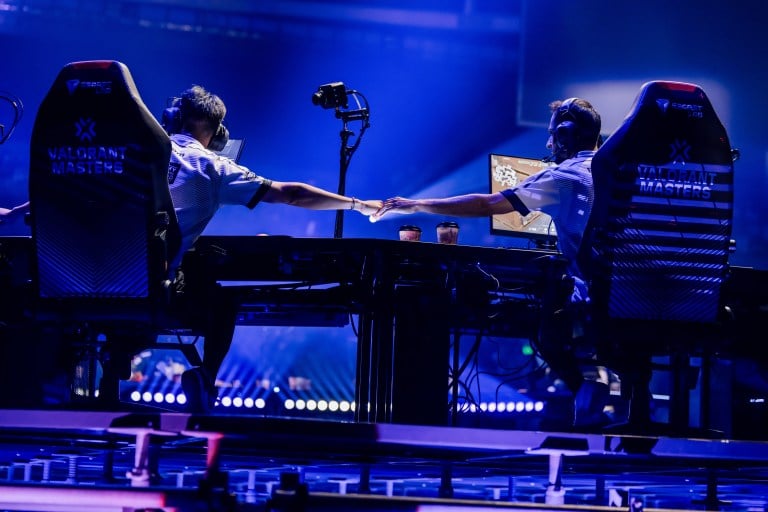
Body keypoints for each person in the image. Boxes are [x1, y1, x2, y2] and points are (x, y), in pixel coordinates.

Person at [371, 97, 612, 428]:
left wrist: (418, 205)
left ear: (567, 136)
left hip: (593, 293)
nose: (548, 143)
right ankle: (601, 392)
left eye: (553, 134)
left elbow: (489, 203)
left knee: (547, 331)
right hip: (639, 295)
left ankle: (584, 387)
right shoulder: (615, 170)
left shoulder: (563, 177)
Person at [166, 85, 381, 413]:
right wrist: (357, 204)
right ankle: (206, 377)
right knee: (222, 298)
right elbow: (291, 193)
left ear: (175, 118)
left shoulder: (137, 152)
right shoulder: (214, 166)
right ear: (217, 134)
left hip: (89, 281)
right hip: (155, 287)